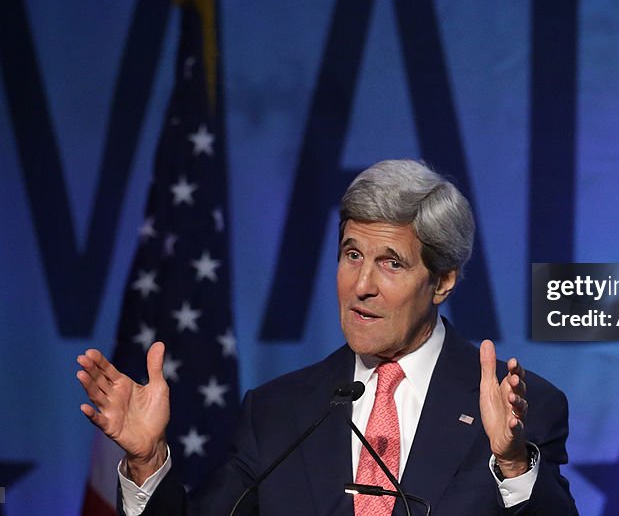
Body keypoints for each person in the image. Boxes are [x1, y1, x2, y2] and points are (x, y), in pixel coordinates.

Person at [77, 159, 578, 515]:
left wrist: (512, 464)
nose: (361, 287)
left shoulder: (520, 411)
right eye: (352, 255)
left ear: (443, 281)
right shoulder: (278, 413)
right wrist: (147, 462)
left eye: (391, 263)